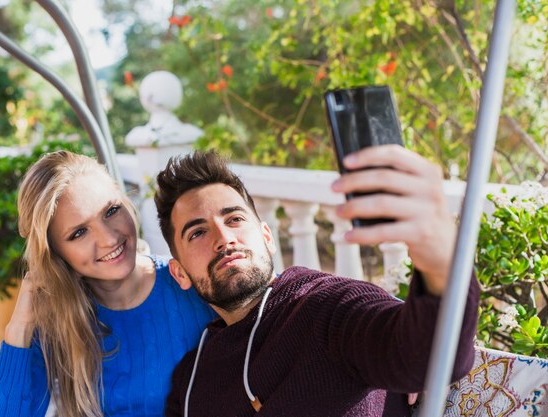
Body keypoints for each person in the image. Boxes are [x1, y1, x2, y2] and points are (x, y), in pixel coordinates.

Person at [154, 147, 480, 417]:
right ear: (180, 273)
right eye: (197, 232)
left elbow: (431, 357)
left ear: (267, 236)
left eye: (235, 219)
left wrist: (440, 251)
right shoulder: (191, 380)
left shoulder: (327, 306)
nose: (224, 239)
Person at [0, 150, 216, 417]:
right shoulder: (55, 322)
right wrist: (19, 326)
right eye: (79, 232)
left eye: (111, 211)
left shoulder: (191, 283)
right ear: (57, 255)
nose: (109, 238)